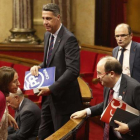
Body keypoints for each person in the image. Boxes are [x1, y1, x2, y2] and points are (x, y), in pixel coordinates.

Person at [30, 3, 82, 139]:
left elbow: (73, 70)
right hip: (49, 98)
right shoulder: (48, 35)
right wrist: (40, 67)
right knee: (42, 136)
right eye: (43, 18)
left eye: (48, 18)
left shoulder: (69, 39)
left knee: (61, 137)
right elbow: (51, 61)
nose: (45, 22)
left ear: (58, 17)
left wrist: (51, 88)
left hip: (63, 99)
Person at [71, 56, 140, 140]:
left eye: (99, 73)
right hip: (112, 136)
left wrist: (129, 126)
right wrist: (86, 111)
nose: (97, 77)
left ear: (111, 74)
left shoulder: (134, 88)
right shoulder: (107, 84)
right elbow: (107, 104)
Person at [0, 66, 20, 140]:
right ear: (5, 83)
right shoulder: (1, 97)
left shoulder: (2, 94)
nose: (19, 83)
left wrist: (6, 114)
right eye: (15, 81)